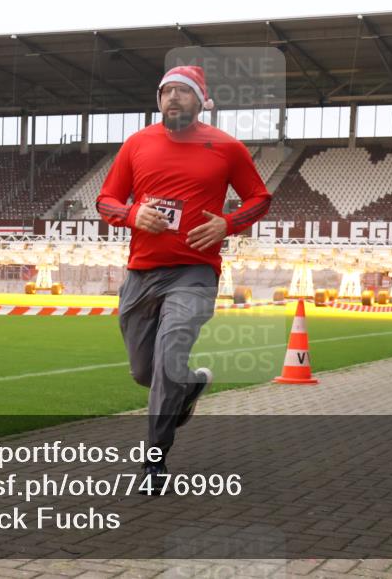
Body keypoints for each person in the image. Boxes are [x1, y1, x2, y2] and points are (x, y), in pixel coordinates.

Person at [97, 65, 272, 493]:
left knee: (169, 356)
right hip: (141, 275)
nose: (173, 98)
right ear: (158, 100)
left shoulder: (225, 147)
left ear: (200, 101)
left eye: (183, 91)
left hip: (194, 274)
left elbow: (260, 198)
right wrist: (134, 213)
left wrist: (225, 226)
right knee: (146, 372)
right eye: (166, 91)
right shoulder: (137, 143)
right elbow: (106, 201)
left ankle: (154, 462)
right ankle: (191, 386)